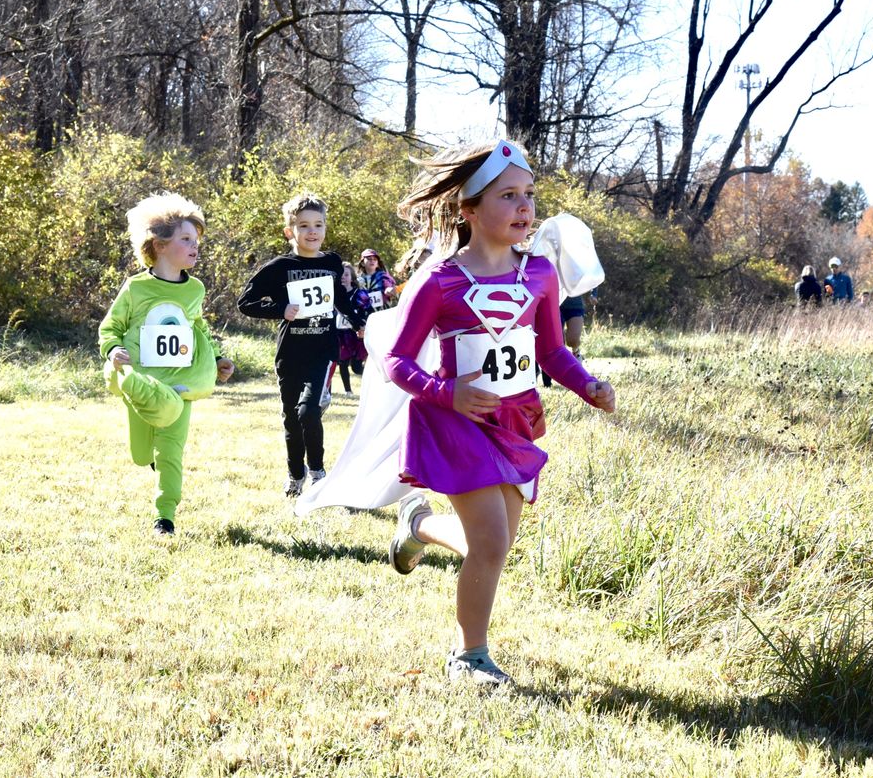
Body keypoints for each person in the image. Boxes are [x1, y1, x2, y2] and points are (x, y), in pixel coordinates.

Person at [382, 140, 616, 686]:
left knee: (493, 544)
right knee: (490, 542)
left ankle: (418, 525)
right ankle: (470, 656)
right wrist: (447, 393)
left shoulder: (539, 275)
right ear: (469, 210)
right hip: (454, 422)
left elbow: (552, 352)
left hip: (514, 424)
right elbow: (395, 360)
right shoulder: (440, 282)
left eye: (529, 195)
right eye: (508, 195)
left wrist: (589, 386)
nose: (524, 207)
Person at [99, 192, 235, 536]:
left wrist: (216, 360)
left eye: (197, 240)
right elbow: (110, 327)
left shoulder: (195, 290)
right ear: (159, 245)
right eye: (186, 239)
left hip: (180, 382)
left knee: (172, 449)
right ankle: (150, 460)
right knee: (142, 454)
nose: (195, 246)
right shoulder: (136, 288)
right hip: (143, 382)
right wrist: (113, 350)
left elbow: (198, 328)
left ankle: (165, 516)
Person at [237, 193, 367, 498]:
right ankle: (295, 473)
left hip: (322, 352)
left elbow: (342, 300)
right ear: (290, 231)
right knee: (292, 418)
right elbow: (246, 302)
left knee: (309, 412)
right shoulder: (280, 266)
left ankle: (318, 473)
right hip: (290, 354)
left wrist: (360, 323)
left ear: (324, 228)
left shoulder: (333, 263)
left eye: (318, 225)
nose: (312, 232)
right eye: (304, 225)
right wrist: (280, 309)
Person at [336, 262, 372, 394]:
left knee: (356, 367)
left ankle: (373, 382)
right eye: (341, 275)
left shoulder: (359, 293)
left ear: (352, 277)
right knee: (343, 362)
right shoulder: (334, 294)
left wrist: (361, 322)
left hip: (357, 333)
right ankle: (348, 391)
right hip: (340, 332)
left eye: (346, 274)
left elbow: (369, 310)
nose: (343, 277)